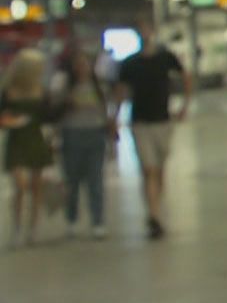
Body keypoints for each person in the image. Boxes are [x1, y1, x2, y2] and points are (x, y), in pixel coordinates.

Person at [114, 18, 190, 240]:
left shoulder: (166, 58)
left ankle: (156, 206)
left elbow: (185, 76)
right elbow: (121, 91)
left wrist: (184, 105)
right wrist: (114, 118)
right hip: (140, 122)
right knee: (149, 169)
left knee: (160, 168)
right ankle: (153, 215)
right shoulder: (130, 64)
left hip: (163, 121)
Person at [50, 46, 115, 239]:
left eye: (85, 64)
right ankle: (71, 219)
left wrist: (112, 140)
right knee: (72, 180)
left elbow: (107, 114)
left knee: (95, 180)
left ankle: (98, 221)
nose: (82, 68)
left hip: (95, 135)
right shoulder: (65, 86)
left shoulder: (99, 88)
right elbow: (55, 113)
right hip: (72, 135)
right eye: (78, 64)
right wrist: (66, 105)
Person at [2, 49, 56, 248]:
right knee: (20, 185)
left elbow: (48, 116)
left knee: (36, 186)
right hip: (16, 139)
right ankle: (17, 228)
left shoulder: (41, 91)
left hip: (36, 138)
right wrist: (9, 120)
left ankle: (33, 229)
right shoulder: (8, 91)